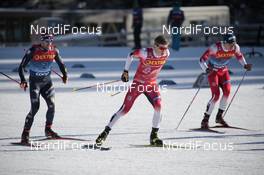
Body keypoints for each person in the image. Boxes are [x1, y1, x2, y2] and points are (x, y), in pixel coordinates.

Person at [96, 35, 170, 146]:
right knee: (124, 110)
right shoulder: (145, 53)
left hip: (151, 84)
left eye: (166, 48)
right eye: (161, 48)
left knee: (158, 107)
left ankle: (154, 136)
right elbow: (130, 55)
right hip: (138, 83)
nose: (163, 51)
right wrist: (125, 71)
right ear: (154, 46)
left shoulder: (167, 53)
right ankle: (104, 133)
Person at [18, 33, 68, 144]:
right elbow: (21, 67)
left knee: (52, 105)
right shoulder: (33, 50)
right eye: (46, 41)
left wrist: (64, 75)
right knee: (35, 108)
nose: (48, 44)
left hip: (47, 83)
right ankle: (25, 133)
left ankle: (48, 130)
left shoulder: (54, 50)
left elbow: (61, 64)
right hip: (35, 83)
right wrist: (23, 80)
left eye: (50, 41)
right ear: (41, 41)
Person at [199, 33, 252, 129]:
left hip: (223, 71)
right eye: (230, 44)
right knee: (216, 96)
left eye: (234, 43)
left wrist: (245, 65)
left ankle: (219, 117)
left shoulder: (235, 47)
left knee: (227, 92)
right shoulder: (215, 47)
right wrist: (206, 69)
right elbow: (202, 59)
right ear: (225, 42)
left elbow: (239, 56)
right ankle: (205, 120)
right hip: (213, 72)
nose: (232, 46)